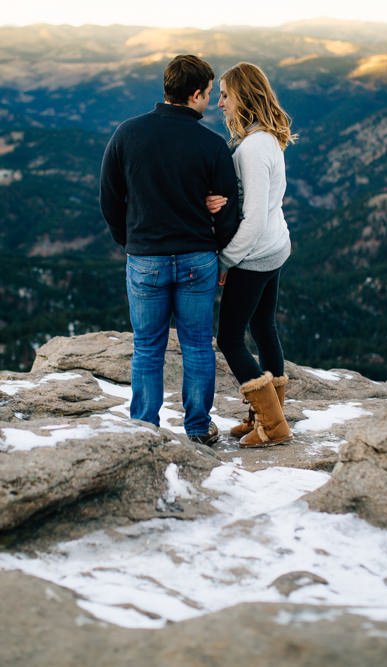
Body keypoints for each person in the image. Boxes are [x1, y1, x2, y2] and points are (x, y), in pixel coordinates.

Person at [100, 54, 240, 445]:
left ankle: (144, 428)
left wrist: (129, 242)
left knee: (147, 347)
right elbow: (230, 206)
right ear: (194, 94)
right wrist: (218, 246)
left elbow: (109, 198)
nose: (211, 101)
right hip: (198, 258)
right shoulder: (211, 145)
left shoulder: (127, 134)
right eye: (209, 94)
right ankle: (197, 427)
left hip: (146, 258)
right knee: (197, 344)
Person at [207, 62, 295, 447]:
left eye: (226, 94)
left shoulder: (253, 147)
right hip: (275, 248)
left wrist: (226, 260)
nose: (220, 103)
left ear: (243, 96)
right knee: (263, 328)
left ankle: (273, 427)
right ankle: (266, 413)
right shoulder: (266, 139)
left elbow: (254, 216)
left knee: (228, 337)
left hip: (256, 254)